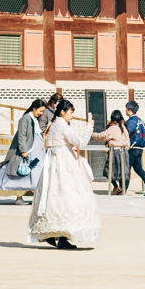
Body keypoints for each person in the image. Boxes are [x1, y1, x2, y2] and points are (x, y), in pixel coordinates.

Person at [29, 100, 100, 250]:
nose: (72, 116)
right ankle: (63, 236)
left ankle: (52, 233)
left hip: (52, 164)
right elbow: (80, 143)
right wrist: (89, 127)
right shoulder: (62, 126)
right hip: (64, 163)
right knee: (69, 198)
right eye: (71, 112)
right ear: (63, 112)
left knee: (53, 197)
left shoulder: (52, 125)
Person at [0, 98, 47, 193]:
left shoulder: (34, 119)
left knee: (32, 172)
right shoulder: (25, 119)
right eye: (40, 111)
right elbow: (21, 135)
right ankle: (19, 196)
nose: (41, 113)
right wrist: (23, 150)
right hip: (28, 150)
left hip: (35, 150)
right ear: (34, 108)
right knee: (23, 173)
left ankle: (31, 193)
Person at [92, 111, 131, 196]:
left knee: (108, 171)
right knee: (123, 172)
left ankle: (117, 187)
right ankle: (123, 190)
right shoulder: (123, 127)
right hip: (124, 152)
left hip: (115, 152)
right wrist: (127, 148)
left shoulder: (112, 128)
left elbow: (102, 136)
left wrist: (92, 134)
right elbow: (127, 140)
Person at [122, 99, 145, 196]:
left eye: (126, 109)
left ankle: (124, 190)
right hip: (140, 147)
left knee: (127, 169)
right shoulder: (141, 121)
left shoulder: (131, 121)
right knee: (138, 168)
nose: (125, 111)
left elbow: (127, 133)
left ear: (129, 110)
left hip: (133, 147)